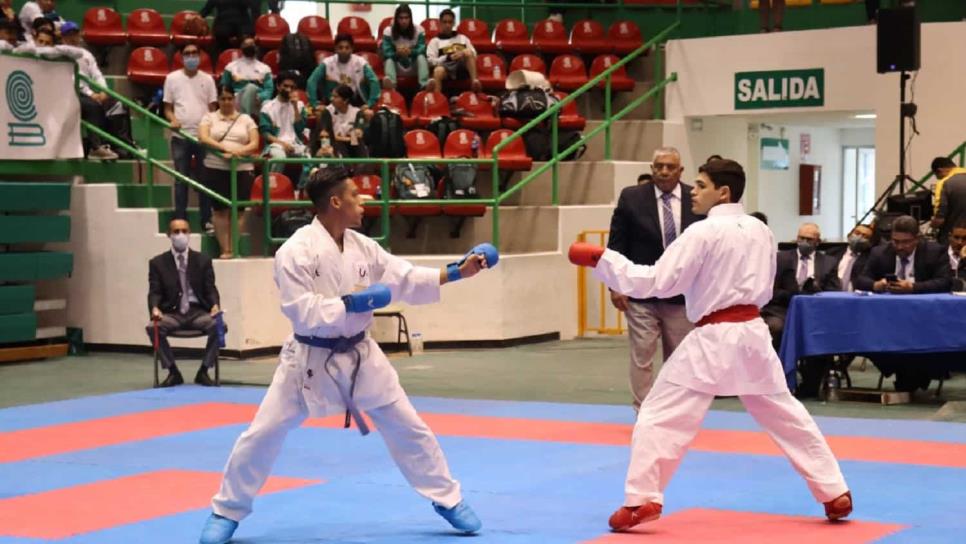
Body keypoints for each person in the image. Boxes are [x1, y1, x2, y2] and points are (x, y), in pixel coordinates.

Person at [197, 166, 493, 544]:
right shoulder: (295, 251)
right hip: (308, 359)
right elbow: (301, 310)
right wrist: (353, 303)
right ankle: (227, 510)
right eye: (355, 194)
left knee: (410, 428)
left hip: (360, 355)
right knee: (261, 435)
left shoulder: (361, 246)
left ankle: (447, 499)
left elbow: (401, 276)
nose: (363, 201)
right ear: (335, 202)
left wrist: (455, 273)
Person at [568, 159, 852, 532]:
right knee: (785, 414)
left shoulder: (702, 233)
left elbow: (656, 281)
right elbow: (765, 287)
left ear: (723, 192)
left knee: (658, 414)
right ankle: (834, 491)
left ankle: (642, 499)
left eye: (700, 186)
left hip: (714, 335)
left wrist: (602, 259)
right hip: (753, 331)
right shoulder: (761, 230)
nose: (692, 192)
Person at [606, 147, 701, 411]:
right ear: (652, 168)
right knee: (642, 354)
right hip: (641, 292)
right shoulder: (632, 197)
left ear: (680, 171)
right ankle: (644, 411)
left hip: (682, 294)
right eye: (659, 166)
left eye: (670, 166)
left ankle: (675, 409)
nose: (664, 171)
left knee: (680, 357)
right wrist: (615, 285)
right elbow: (616, 245)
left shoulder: (695, 199)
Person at [146, 219, 222, 388]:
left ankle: (204, 370)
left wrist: (215, 305)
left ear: (189, 233)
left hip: (197, 312)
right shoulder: (157, 263)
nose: (180, 235)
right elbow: (155, 291)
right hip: (172, 313)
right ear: (169, 235)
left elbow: (210, 288)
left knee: (218, 326)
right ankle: (173, 371)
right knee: (153, 327)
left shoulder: (203, 260)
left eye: (184, 230)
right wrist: (155, 308)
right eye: (176, 231)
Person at [198, 84, 259, 258]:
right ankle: (225, 249)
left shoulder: (246, 119)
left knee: (239, 210)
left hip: (242, 168)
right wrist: (223, 148)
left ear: (234, 100)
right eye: (223, 98)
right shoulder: (209, 117)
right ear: (218, 100)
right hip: (216, 167)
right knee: (220, 210)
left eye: (230, 98)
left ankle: (234, 247)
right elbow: (203, 137)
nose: (226, 102)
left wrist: (238, 152)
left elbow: (254, 143)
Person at [761, 223, 841, 351]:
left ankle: (814, 370)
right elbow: (770, 288)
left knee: (825, 331)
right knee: (776, 327)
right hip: (782, 309)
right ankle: (779, 367)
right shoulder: (781, 258)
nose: (804, 242)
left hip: (815, 311)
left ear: (817, 242)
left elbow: (834, 291)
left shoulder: (828, 262)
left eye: (809, 239)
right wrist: (792, 294)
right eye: (801, 238)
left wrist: (815, 289)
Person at [164, 43, 218, 232]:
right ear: (181, 57)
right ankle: (180, 219)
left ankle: (206, 220)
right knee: (181, 179)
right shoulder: (171, 79)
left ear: (200, 56)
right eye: (187, 53)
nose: (191, 56)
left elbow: (213, 108)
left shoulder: (208, 80)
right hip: (180, 136)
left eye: (195, 53)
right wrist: (172, 119)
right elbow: (168, 108)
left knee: (205, 180)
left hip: (203, 137)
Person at [855, 214, 952, 294]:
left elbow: (945, 282)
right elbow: (861, 280)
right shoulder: (879, 253)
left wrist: (913, 287)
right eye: (896, 241)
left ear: (917, 239)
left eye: (906, 242)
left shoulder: (934, 252)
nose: (899, 247)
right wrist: (876, 285)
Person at [259, 70, 310, 185]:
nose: (289, 89)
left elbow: (300, 129)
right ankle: (272, 188)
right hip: (276, 144)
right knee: (279, 157)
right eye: (285, 86)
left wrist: (295, 107)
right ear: (278, 86)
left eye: (292, 87)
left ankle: (301, 190)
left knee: (309, 157)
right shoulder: (267, 107)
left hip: (295, 143)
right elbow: (265, 133)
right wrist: (282, 144)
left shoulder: (300, 106)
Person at [307, 33, 380, 111]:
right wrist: (314, 104)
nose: (344, 50)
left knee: (368, 113)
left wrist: (370, 103)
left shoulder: (360, 62)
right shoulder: (327, 63)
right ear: (335, 49)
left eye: (347, 48)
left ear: (352, 49)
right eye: (340, 47)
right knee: (320, 113)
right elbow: (312, 81)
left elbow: (374, 81)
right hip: (333, 101)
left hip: (354, 100)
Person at [311, 84, 371, 162]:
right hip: (333, 144)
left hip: (351, 144)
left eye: (335, 97)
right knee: (337, 144)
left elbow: (357, 136)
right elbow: (325, 134)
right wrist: (345, 138)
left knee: (359, 144)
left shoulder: (357, 113)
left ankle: (363, 168)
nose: (331, 99)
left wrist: (342, 138)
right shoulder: (327, 112)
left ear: (345, 100)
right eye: (332, 96)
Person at [426, 9, 481, 93]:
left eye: (450, 22)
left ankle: (475, 84)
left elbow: (474, 54)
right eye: (445, 22)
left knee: (469, 52)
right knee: (437, 71)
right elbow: (430, 61)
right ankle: (437, 101)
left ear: (453, 23)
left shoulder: (462, 38)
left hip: (462, 67)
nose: (447, 25)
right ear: (440, 23)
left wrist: (463, 53)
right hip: (446, 68)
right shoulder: (435, 41)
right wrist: (448, 57)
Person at [220, 35, 273, 116]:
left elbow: (269, 90)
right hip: (238, 99)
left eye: (251, 44)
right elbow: (224, 87)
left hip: (258, 100)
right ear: (241, 47)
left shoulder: (264, 68)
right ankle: (245, 120)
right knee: (250, 88)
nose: (249, 47)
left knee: (269, 104)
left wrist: (261, 97)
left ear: (256, 47)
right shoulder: (231, 67)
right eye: (246, 45)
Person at [381, 3, 429, 90]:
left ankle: (424, 85)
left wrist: (411, 52)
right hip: (397, 66)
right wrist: (397, 53)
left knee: (421, 57)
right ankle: (391, 86)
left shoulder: (419, 30)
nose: (404, 21)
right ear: (396, 19)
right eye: (401, 18)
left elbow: (422, 50)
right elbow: (386, 52)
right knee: (388, 60)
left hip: (413, 66)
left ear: (410, 18)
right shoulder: (388, 31)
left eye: (406, 18)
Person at [930, 157, 966, 244]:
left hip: (955, 239)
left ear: (939, 170)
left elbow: (940, 219)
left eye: (938, 176)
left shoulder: (944, 183)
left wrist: (933, 224)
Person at [836, 224, 874, 292]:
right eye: (857, 233)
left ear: (870, 242)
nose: (859, 237)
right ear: (849, 235)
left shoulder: (871, 258)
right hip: (833, 295)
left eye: (865, 236)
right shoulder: (832, 253)